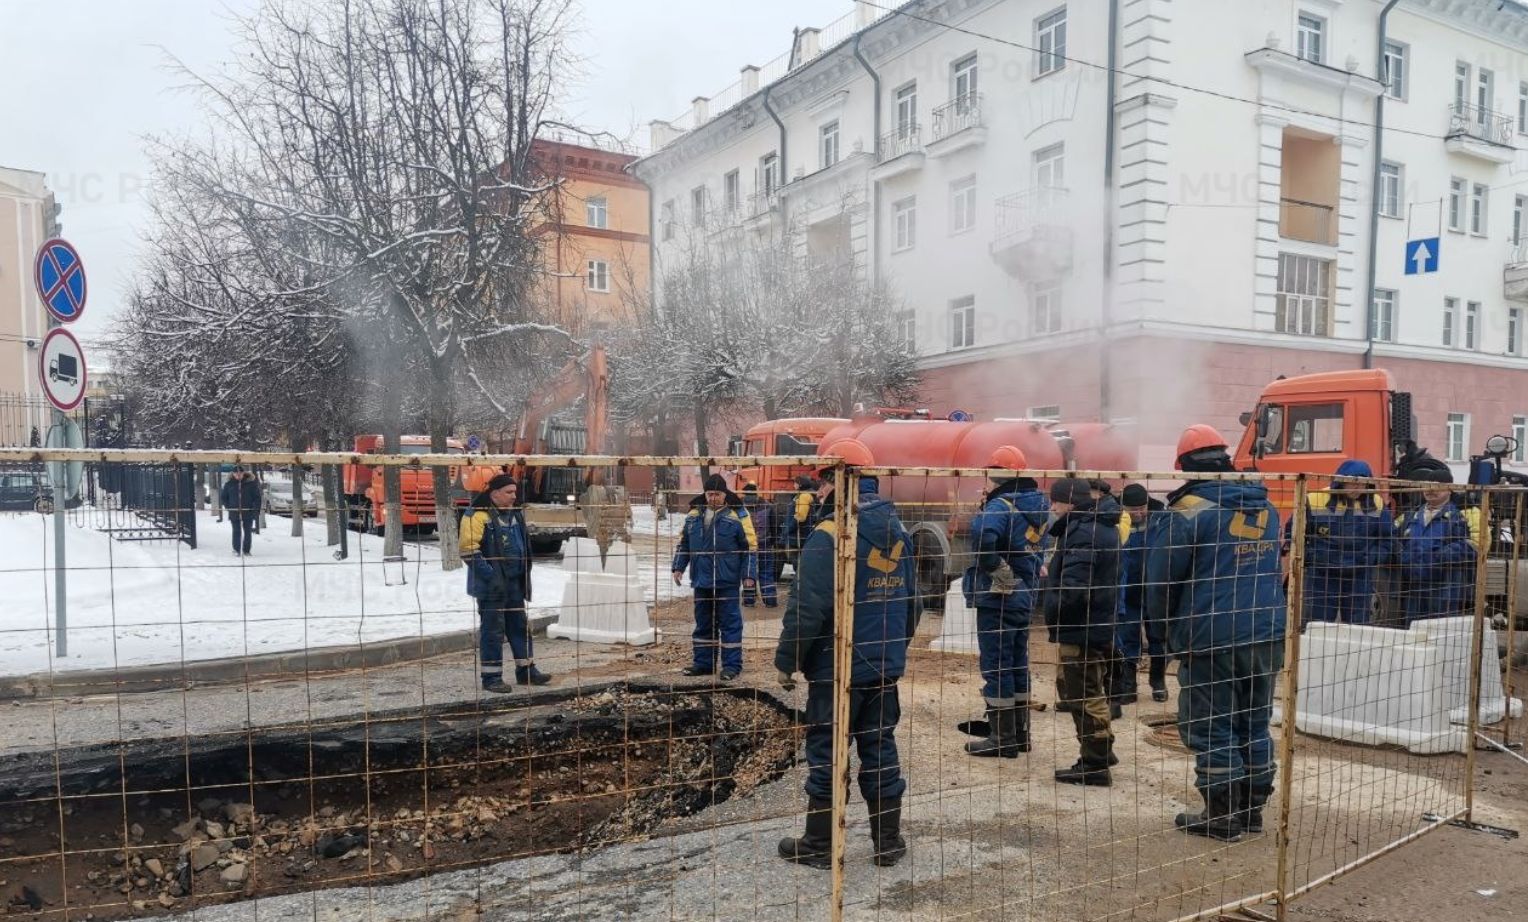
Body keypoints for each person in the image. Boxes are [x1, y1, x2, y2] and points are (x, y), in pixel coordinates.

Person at [776, 438, 917, 869]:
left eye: (822, 482)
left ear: (835, 480)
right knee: (880, 748)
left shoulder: (830, 532)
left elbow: (808, 606)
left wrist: (788, 660)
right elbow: (913, 603)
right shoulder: (898, 529)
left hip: (835, 669)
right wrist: (894, 650)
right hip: (882, 667)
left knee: (827, 750)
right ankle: (888, 843)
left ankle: (820, 845)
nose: (819, 491)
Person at [1146, 424, 1285, 842]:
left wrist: (1162, 638)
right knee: (1254, 722)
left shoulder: (1186, 513)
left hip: (1212, 636)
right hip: (1266, 632)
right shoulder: (1267, 506)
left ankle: (1221, 815)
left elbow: (1160, 585)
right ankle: (1251, 811)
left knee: (1213, 724)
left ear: (1183, 466)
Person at [960, 445, 1050, 758]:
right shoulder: (1038, 506)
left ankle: (1002, 738)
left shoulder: (1000, 508)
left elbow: (983, 536)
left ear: (997, 478)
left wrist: (1000, 573)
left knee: (996, 666)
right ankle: (1020, 735)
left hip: (1000, 598)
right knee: (1017, 663)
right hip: (1025, 594)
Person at [1040, 477, 1122, 786]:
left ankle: (1095, 763)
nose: (1052, 507)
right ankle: (1103, 749)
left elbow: (1076, 587)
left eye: (1056, 501)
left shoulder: (1084, 532)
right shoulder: (1096, 525)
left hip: (1081, 626)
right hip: (1094, 622)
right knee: (1091, 689)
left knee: (1084, 695)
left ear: (1070, 503)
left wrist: (1055, 606)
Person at [461, 474, 549, 693]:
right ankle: (491, 679)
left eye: (515, 492)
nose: (514, 496)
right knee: (493, 630)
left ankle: (526, 670)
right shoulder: (476, 515)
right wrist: (491, 576)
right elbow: (468, 550)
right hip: (491, 587)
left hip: (514, 583)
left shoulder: (515, 514)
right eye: (509, 492)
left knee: (519, 626)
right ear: (494, 494)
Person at [672, 473, 758, 681]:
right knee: (703, 623)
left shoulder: (738, 515)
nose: (712, 498)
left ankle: (731, 666)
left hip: (726, 580)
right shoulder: (693, 515)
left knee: (730, 623)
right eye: (709, 494)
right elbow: (684, 544)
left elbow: (750, 548)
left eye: (717, 494)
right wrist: (678, 567)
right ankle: (703, 664)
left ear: (724, 494)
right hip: (701, 580)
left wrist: (748, 575)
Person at [1292, 459, 1394, 626]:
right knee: (1318, 626)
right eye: (1353, 483)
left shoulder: (1377, 504)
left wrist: (1373, 558)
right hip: (1322, 575)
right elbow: (1294, 533)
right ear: (1341, 481)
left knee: (1357, 627)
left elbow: (1388, 539)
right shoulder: (1315, 499)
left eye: (1363, 484)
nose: (1358, 488)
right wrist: (1312, 557)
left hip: (1359, 575)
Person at [1394, 468, 1476, 624]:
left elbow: (1472, 547)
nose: (1431, 490)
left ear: (1450, 489)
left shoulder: (1462, 515)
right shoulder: (1410, 517)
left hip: (1444, 589)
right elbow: (1394, 541)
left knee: (1440, 636)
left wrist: (1438, 557)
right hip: (1413, 588)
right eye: (1428, 486)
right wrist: (1404, 558)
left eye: (1438, 486)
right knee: (1412, 635)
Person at [1115, 483, 1169, 704]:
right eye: (1132, 509)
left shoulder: (1160, 520)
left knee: (1158, 636)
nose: (1138, 513)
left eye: (1141, 508)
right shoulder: (1116, 521)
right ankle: (1129, 685)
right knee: (1127, 636)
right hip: (1128, 589)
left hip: (1154, 589)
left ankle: (1158, 681)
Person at [740, 483, 779, 608]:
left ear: (744, 493)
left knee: (748, 573)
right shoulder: (767, 505)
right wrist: (773, 541)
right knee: (766, 572)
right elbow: (774, 526)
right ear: (756, 492)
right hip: (765, 544)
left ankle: (749, 600)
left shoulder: (739, 506)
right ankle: (770, 600)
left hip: (747, 545)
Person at [219, 466, 262, 557]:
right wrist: (229, 507)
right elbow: (223, 498)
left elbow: (257, 498)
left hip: (248, 512)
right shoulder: (229, 484)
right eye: (236, 474)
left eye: (240, 473)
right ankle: (236, 549)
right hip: (234, 512)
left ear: (243, 473)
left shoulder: (251, 484)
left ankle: (246, 550)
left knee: (247, 532)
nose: (238, 475)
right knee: (236, 531)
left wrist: (255, 510)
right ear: (233, 474)